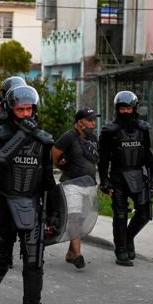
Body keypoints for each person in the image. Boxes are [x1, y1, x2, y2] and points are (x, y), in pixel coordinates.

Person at [0, 85, 55, 304]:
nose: (26, 114)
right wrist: (22, 135)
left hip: (32, 205)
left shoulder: (43, 139)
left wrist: (54, 212)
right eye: (20, 109)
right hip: (3, 206)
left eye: (29, 109)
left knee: (34, 261)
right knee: (1, 261)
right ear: (11, 109)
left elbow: (48, 179)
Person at [98, 91, 153, 267]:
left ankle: (128, 237)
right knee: (120, 215)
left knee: (144, 212)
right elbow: (103, 159)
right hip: (118, 177)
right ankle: (121, 249)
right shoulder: (109, 131)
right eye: (122, 108)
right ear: (117, 109)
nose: (125, 111)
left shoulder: (144, 129)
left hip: (138, 175)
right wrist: (104, 181)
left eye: (128, 108)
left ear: (134, 109)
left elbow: (150, 156)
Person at [51, 107, 100, 269]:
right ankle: (78, 255)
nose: (93, 123)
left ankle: (71, 253)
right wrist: (62, 165)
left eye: (94, 120)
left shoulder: (93, 138)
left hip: (89, 184)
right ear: (80, 122)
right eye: (90, 120)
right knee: (75, 218)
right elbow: (55, 155)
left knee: (84, 220)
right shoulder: (68, 136)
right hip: (72, 183)